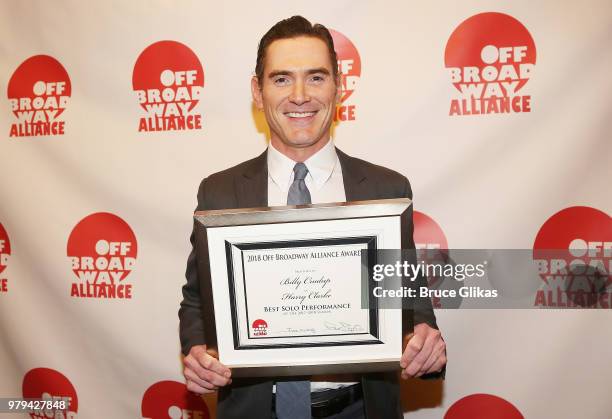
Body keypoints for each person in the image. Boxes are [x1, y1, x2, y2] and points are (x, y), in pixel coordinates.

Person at [179, 15, 446, 419]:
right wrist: (198, 350)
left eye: (316, 78)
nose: (300, 96)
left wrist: (424, 339)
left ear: (339, 88)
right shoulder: (218, 192)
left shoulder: (385, 189)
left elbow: (407, 298)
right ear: (258, 90)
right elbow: (198, 299)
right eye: (282, 79)